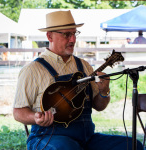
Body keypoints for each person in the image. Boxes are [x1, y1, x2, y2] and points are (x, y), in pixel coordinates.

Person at [13, 10, 143, 150]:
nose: (73, 39)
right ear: (49, 36)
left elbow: (99, 106)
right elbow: (18, 112)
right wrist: (36, 118)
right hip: (47, 137)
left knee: (133, 146)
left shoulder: (84, 66)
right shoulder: (33, 70)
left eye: (74, 33)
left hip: (86, 138)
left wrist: (104, 91)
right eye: (67, 34)